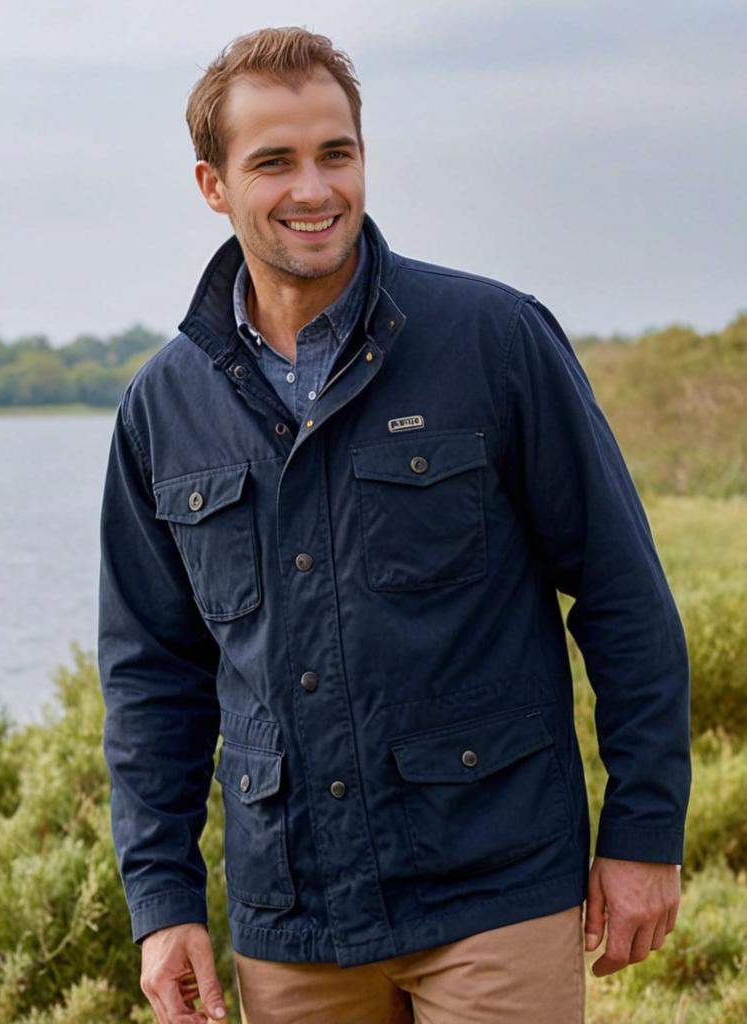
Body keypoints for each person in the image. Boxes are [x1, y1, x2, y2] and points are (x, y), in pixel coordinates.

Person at [97, 25, 691, 1024]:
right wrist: (162, 902)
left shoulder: (494, 339)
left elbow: (623, 592)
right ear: (213, 184)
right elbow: (151, 675)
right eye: (274, 161)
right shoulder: (163, 405)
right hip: (294, 919)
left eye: (337, 153)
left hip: (494, 891)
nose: (314, 189)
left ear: (364, 157)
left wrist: (643, 830)